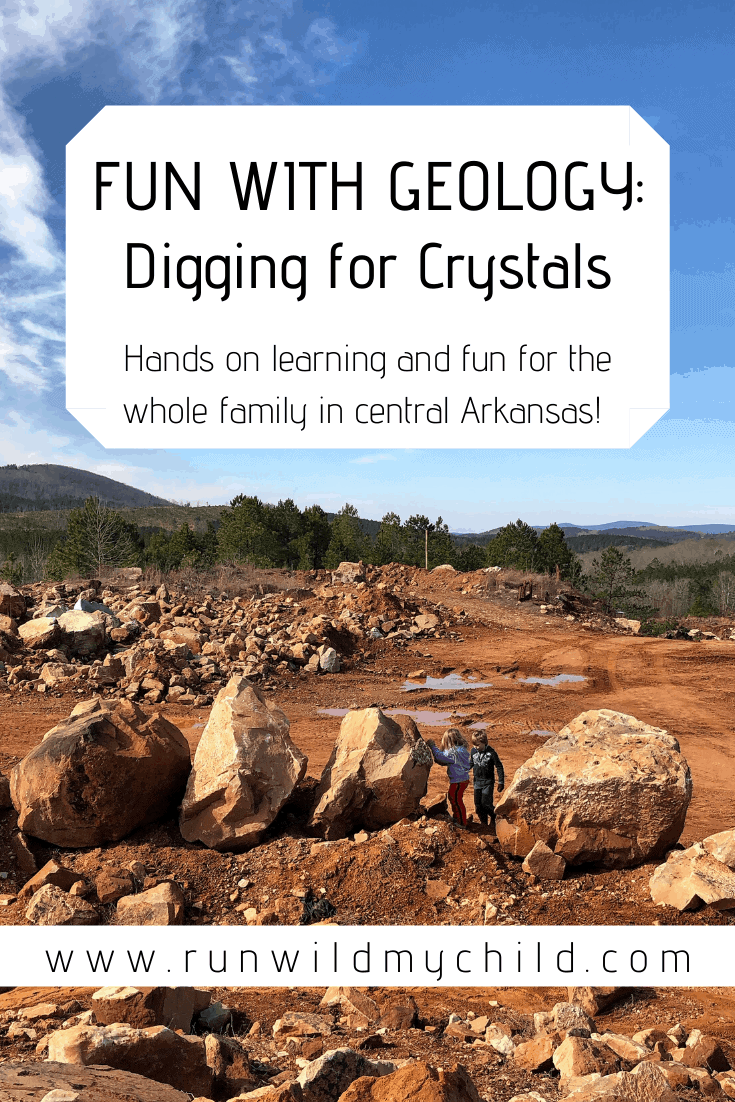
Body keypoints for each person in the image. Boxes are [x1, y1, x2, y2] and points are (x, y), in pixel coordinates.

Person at [427, 727, 471, 826]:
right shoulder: (462, 749)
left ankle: (461, 822)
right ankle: (457, 818)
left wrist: (432, 746)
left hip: (458, 780)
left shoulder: (453, 752)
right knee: (454, 798)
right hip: (463, 779)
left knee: (456, 799)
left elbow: (440, 758)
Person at [469, 729, 505, 828]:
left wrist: (501, 781)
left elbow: (499, 766)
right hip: (477, 782)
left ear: (484, 742)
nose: (475, 747)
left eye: (477, 745)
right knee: (478, 805)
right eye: (474, 745)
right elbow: (471, 763)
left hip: (488, 782)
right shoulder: (473, 751)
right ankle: (483, 823)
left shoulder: (492, 753)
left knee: (486, 804)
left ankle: (494, 816)